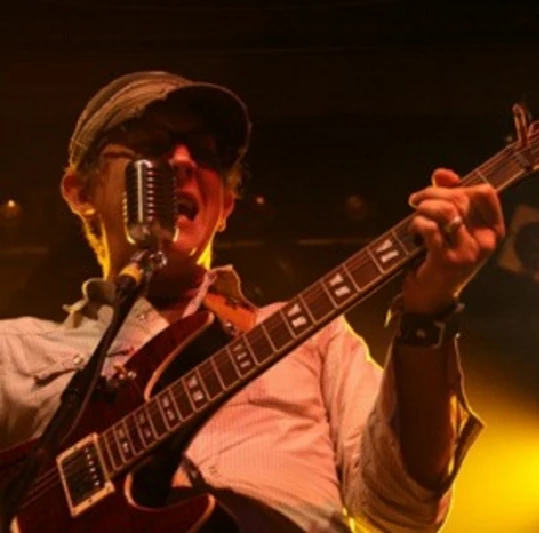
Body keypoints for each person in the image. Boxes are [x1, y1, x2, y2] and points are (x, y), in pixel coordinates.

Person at [0, 71, 505, 532]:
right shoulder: (15, 353)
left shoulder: (312, 337)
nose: (181, 162)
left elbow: (403, 511)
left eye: (206, 153)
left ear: (226, 208)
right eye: (151, 144)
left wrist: (428, 315)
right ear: (80, 191)